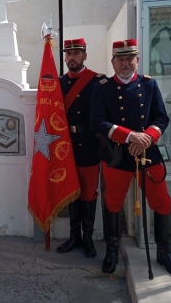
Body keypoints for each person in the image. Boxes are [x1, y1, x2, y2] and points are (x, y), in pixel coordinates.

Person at [90, 39, 171, 277]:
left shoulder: (149, 85)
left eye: (129, 58)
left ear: (137, 60)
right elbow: (97, 122)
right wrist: (130, 136)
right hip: (116, 154)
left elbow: (161, 119)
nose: (125, 63)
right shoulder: (102, 87)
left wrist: (146, 138)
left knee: (162, 201)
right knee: (112, 203)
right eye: (120, 59)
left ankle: (165, 252)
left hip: (147, 153)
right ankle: (112, 251)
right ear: (113, 62)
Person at [55, 38, 103, 258]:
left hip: (89, 146)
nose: (71, 57)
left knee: (88, 194)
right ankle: (74, 236)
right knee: (72, 192)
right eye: (68, 54)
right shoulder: (59, 83)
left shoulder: (97, 82)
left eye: (76, 53)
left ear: (84, 55)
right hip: (66, 147)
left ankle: (87, 238)